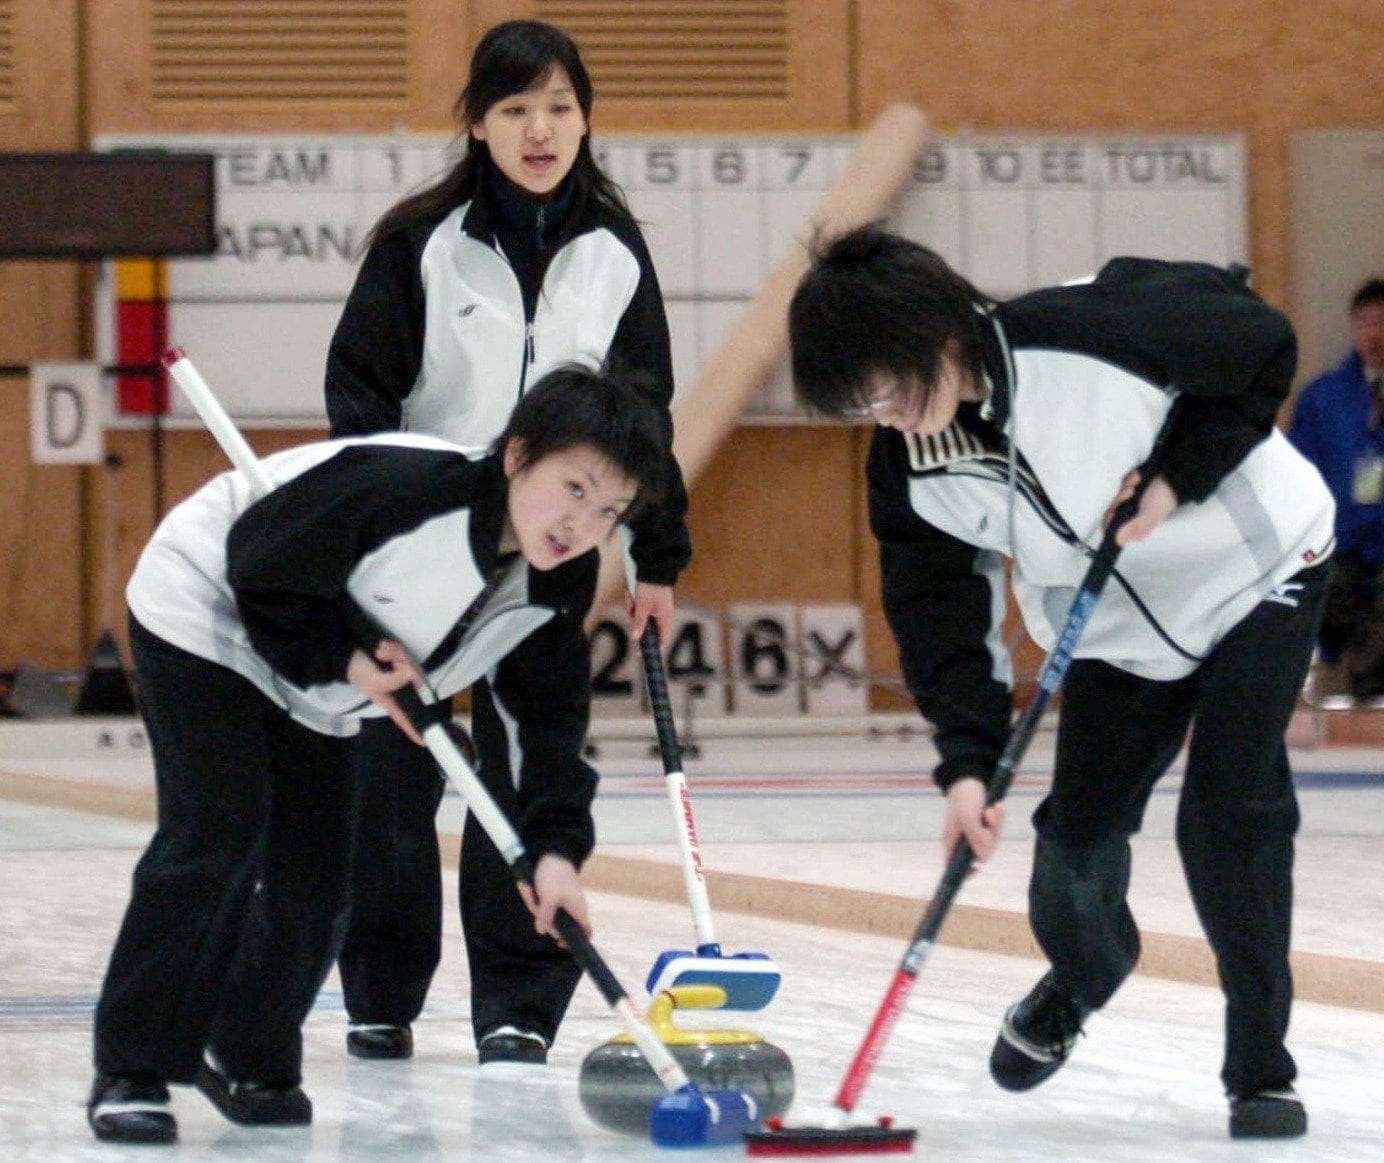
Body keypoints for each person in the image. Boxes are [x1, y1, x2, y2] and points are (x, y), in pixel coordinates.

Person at [786, 226, 1334, 1141]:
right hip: (1120, 625)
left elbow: (1260, 344)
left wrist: (1175, 478)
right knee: (1073, 855)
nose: (889, 416)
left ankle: (1260, 1068)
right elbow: (939, 620)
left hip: (1258, 571)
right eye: (865, 403)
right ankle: (1086, 972)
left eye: (892, 387)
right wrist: (967, 766)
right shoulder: (910, 466)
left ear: (938, 329)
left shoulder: (1088, 333)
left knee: (1228, 810)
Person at [86, 367, 668, 1145]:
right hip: (210, 608)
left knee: (320, 878)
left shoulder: (558, 583)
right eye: (574, 488)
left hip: (323, 678)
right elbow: (258, 562)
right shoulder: (409, 490)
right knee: (219, 829)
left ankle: (245, 1045)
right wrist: (347, 659)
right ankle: (133, 1065)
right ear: (517, 455)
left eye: (608, 511)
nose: (581, 523)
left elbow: (547, 723)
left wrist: (556, 851)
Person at [324, 17, 690, 1067]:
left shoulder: (614, 254)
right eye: (517, 108)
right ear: (478, 124)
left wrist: (658, 556)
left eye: (560, 109)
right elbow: (358, 393)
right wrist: (377, 522)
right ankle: (380, 991)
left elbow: (644, 417)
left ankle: (519, 1002)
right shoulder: (419, 244)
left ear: (586, 121)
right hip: (420, 551)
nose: (541, 130)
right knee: (393, 772)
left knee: (531, 762)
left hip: (552, 551)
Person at [1287, 278, 1384, 703]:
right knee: (1322, 594)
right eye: (1365, 322)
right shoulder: (1323, 398)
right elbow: (1296, 471)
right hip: (1336, 539)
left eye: (1382, 322)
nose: (1374, 334)